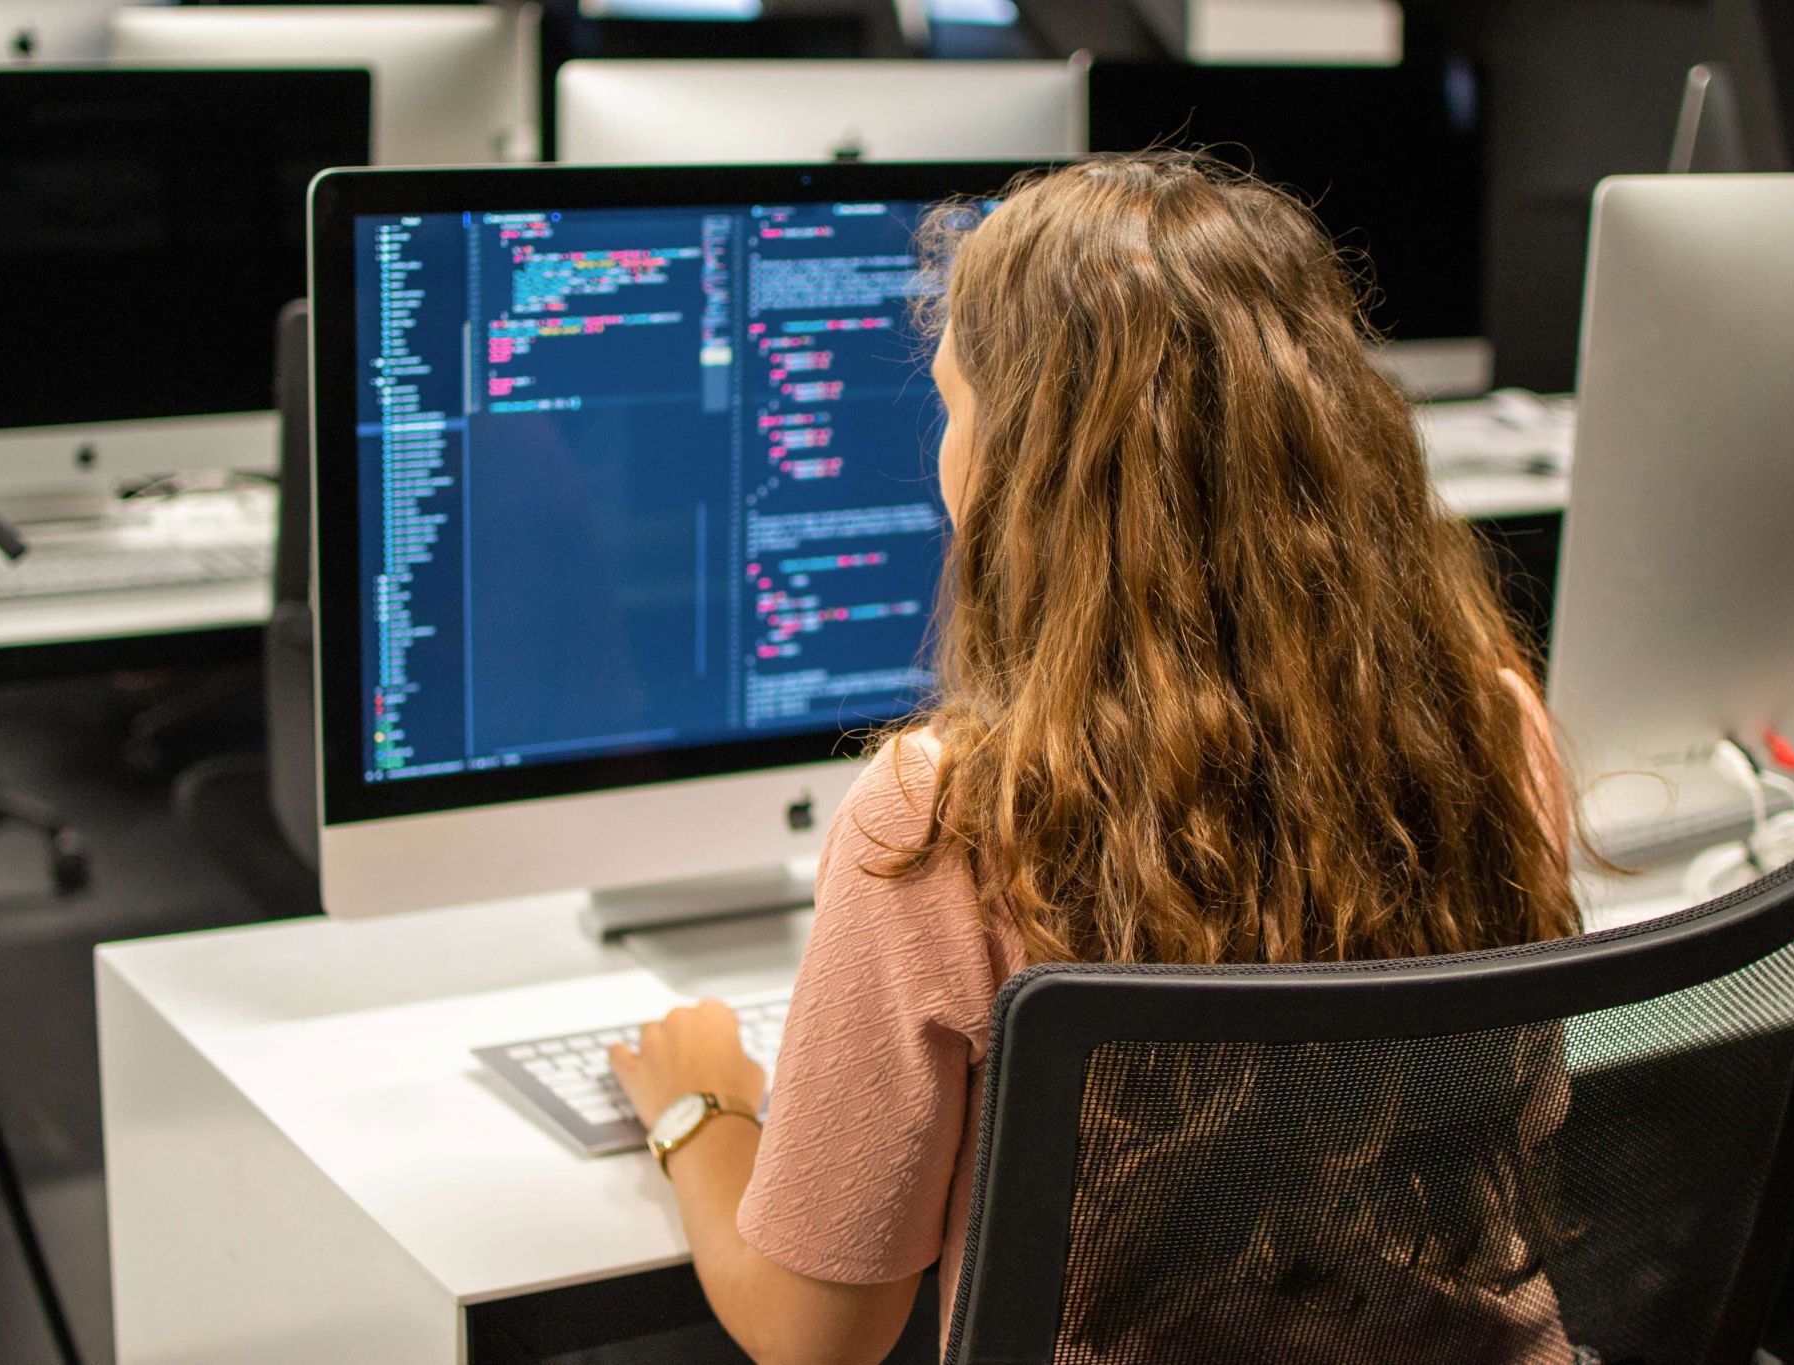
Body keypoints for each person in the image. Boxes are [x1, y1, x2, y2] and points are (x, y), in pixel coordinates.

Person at [608, 151, 1579, 1365]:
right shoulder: (1488, 726)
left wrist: (703, 1108)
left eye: (953, 405)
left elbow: (816, 1339)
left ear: (1028, 471)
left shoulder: (946, 819)